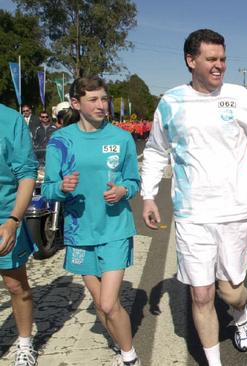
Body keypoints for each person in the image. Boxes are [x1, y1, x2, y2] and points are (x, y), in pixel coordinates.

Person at [140, 29, 247, 366]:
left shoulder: (239, 97)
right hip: (192, 213)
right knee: (201, 294)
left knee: (229, 291)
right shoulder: (171, 103)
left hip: (235, 211)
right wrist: (149, 196)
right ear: (191, 61)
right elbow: (156, 151)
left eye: (223, 59)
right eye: (211, 59)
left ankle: (239, 313)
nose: (219, 66)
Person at [42, 76, 141, 366]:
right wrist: (62, 187)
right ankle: (123, 346)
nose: (102, 105)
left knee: (109, 303)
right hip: (78, 232)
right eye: (93, 99)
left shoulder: (121, 138)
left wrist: (124, 190)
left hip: (115, 228)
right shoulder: (61, 140)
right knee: (101, 304)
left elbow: (134, 181)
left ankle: (129, 357)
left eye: (104, 98)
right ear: (76, 103)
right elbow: (48, 187)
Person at [0, 103, 38, 366]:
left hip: (4, 215)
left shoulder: (10, 120)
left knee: (15, 285)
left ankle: (25, 343)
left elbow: (26, 174)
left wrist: (14, 220)